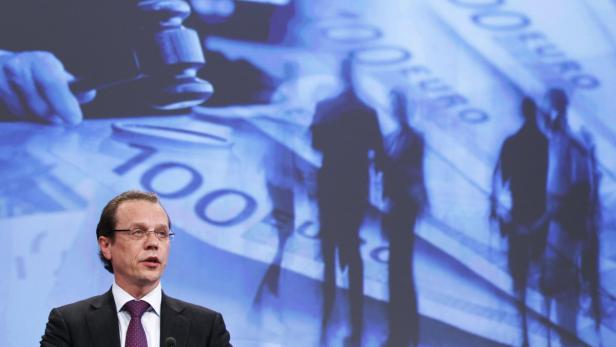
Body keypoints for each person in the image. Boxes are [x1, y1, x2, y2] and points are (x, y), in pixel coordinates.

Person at [40, 190, 232, 347]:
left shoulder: (207, 327)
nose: (153, 243)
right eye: (138, 232)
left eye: (162, 233)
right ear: (106, 246)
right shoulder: (69, 324)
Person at [311, 55, 385, 346]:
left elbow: (316, 144)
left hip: (330, 188)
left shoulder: (326, 108)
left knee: (329, 253)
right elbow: (378, 154)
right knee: (352, 253)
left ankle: (328, 313)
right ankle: (355, 319)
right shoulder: (367, 112)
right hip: (354, 190)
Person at [539, 88, 600, 346]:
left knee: (562, 289)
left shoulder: (574, 144)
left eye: (549, 110)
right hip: (553, 224)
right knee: (550, 289)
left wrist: (556, 215)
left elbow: (582, 189)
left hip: (564, 226)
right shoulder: (552, 141)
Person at [490, 97, 549, 347]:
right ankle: (545, 336)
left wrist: (497, 212)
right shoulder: (545, 144)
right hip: (540, 217)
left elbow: (500, 180)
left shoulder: (511, 143)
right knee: (542, 277)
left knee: (520, 279)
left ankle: (524, 335)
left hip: (517, 216)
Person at [381, 89, 428, 347]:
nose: (395, 109)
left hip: (405, 209)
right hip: (391, 208)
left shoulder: (414, 139)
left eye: (398, 104)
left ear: (404, 107)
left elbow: (413, 172)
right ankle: (397, 331)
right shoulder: (389, 138)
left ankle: (408, 333)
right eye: (392, 105)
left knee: (403, 270)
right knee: (394, 270)